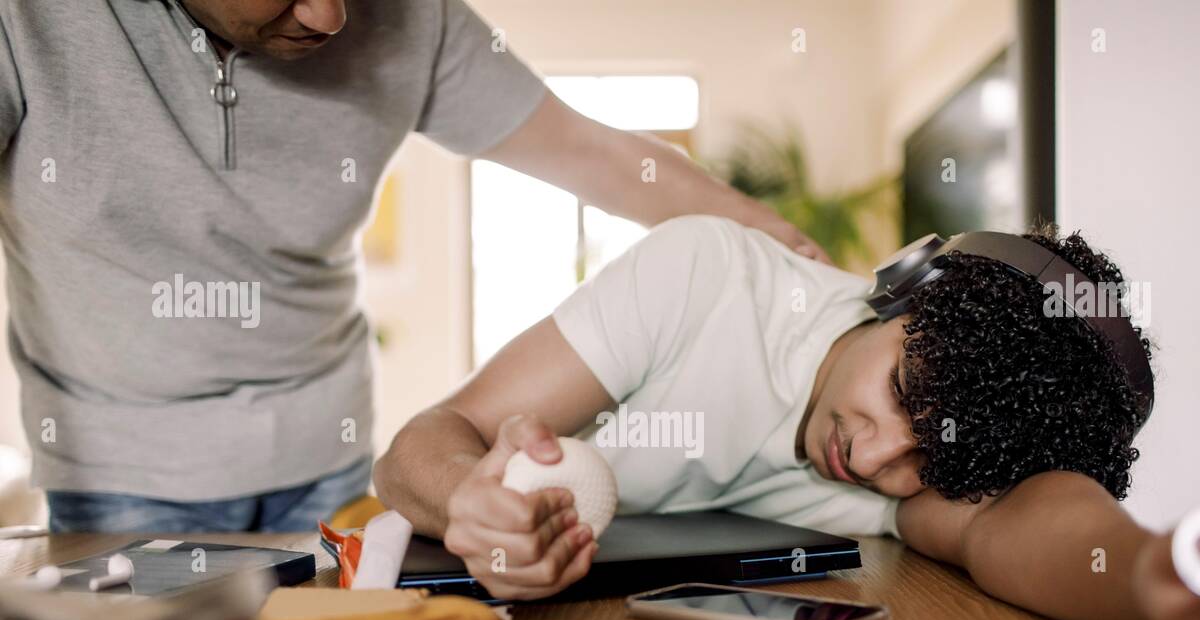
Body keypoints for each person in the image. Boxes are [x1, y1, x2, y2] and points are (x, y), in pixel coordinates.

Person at [374, 214, 1200, 620]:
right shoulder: (703, 279)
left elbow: (1024, 524)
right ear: (903, 288)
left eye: (929, 464)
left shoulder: (909, 473)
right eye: (898, 391)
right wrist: (467, 497)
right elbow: (423, 440)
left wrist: (1162, 580)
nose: (876, 461)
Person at [0, 0, 822, 533]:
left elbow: (591, 152)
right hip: (117, 461)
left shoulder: (410, 18)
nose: (329, 16)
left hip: (327, 448)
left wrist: (795, 259)